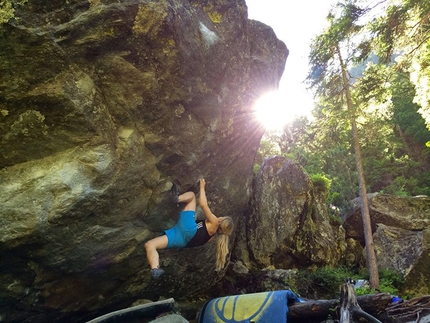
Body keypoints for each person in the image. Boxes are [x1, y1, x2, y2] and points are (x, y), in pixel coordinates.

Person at [144, 179, 234, 279]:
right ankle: (155, 269)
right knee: (150, 245)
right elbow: (199, 235)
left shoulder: (214, 222)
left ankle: (177, 198)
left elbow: (203, 205)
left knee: (191, 196)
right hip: (182, 240)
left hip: (189, 229)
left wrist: (202, 186)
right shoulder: (211, 237)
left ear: (222, 220)